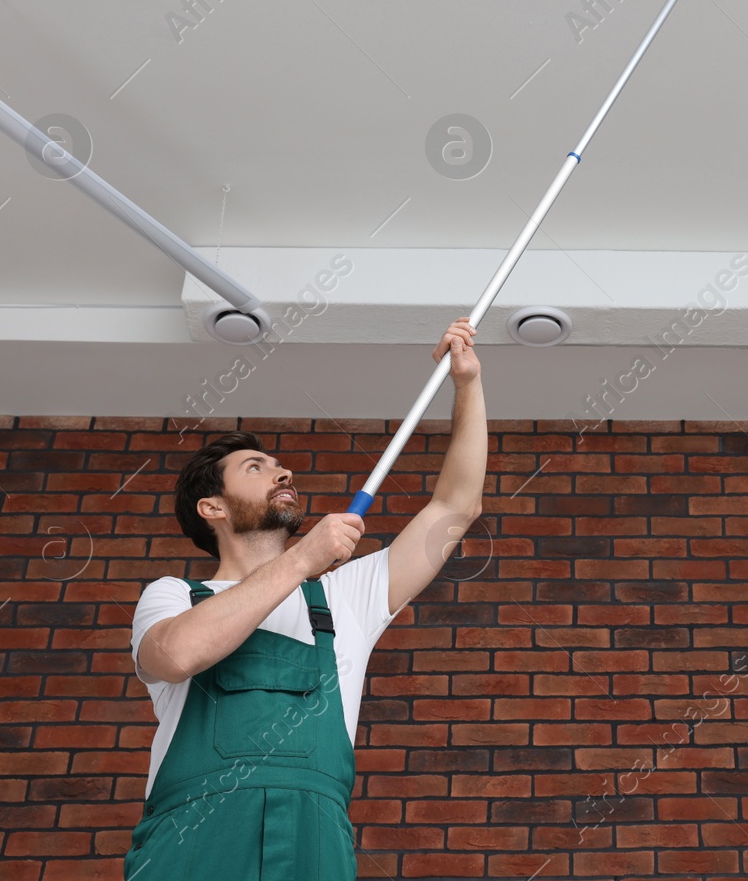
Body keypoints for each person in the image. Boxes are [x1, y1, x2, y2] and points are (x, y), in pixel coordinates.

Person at [124, 317, 485, 880]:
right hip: (194, 842)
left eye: (279, 466)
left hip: (315, 843)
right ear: (211, 508)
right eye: (255, 467)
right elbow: (175, 656)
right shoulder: (175, 596)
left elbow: (455, 509)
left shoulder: (342, 598)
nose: (281, 471)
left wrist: (467, 383)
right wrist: (300, 560)